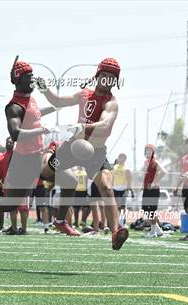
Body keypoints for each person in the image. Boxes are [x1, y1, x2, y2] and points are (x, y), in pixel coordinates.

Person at [37, 57, 128, 250]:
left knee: (106, 187)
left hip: (96, 152)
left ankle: (115, 232)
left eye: (112, 77)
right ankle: (60, 219)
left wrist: (83, 126)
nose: (107, 80)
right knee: (46, 173)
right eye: (104, 76)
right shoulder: (84, 94)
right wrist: (45, 89)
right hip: (73, 146)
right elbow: (58, 101)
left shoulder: (112, 102)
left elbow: (105, 124)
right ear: (97, 76)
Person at [0, 58, 55, 240]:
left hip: (36, 156)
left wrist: (56, 106)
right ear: (18, 80)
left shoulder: (31, 99)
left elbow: (36, 113)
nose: (32, 80)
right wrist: (41, 129)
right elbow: (15, 134)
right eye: (29, 77)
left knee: (63, 171)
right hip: (25, 160)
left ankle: (61, 221)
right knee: (9, 203)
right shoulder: (14, 106)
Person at [141, 144, 167, 238]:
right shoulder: (146, 162)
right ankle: (158, 230)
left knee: (151, 210)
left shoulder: (154, 161)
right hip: (147, 189)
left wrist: (154, 183)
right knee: (146, 210)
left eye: (149, 150)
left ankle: (153, 232)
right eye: (146, 149)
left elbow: (163, 171)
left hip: (153, 190)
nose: (147, 151)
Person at [0, 136, 14, 232]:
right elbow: (0, 172)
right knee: (9, 206)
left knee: (17, 207)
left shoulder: (16, 155)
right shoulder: (3, 156)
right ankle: (12, 226)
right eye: (7, 142)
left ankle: (16, 227)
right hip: (6, 185)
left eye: (10, 142)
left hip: (15, 184)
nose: (8, 144)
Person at [112, 153, 133, 226]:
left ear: (125, 159)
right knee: (117, 206)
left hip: (123, 189)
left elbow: (129, 179)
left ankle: (123, 222)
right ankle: (118, 221)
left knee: (123, 206)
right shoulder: (114, 167)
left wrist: (128, 188)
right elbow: (112, 178)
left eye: (122, 157)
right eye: (119, 157)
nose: (120, 158)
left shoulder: (127, 168)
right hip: (115, 188)